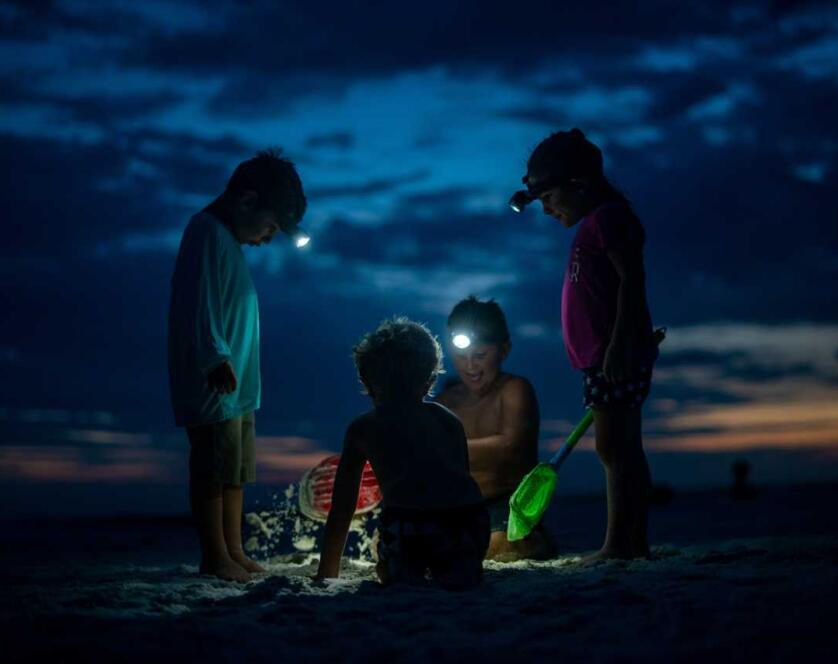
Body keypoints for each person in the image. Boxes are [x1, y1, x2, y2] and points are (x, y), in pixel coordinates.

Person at [510, 128, 659, 561]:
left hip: (614, 357)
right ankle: (633, 543)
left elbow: (632, 280)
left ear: (578, 185)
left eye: (549, 198)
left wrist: (619, 344)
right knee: (620, 447)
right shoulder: (595, 224)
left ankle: (620, 545)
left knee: (616, 448)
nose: (546, 210)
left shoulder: (608, 218)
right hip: (604, 359)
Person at [168, 148, 307, 582]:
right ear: (246, 202)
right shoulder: (206, 231)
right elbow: (199, 301)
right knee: (212, 467)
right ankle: (214, 555)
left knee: (234, 470)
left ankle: (234, 548)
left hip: (239, 387)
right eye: (269, 227)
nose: (267, 239)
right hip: (216, 380)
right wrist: (214, 357)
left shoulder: (228, 241)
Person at [316, 317, 488, 590]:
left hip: (413, 529)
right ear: (430, 379)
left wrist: (326, 571)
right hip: (468, 526)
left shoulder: (363, 428)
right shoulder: (449, 421)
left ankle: (402, 567)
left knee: (387, 561)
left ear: (366, 380)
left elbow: (342, 508)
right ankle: (461, 567)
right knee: (456, 560)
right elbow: (462, 482)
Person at [435, 296, 556, 561]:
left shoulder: (514, 390)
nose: (470, 366)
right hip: (455, 508)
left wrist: (439, 449)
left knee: (500, 545)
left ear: (504, 350)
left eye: (480, 356)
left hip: (506, 506)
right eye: (461, 356)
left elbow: (510, 447)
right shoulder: (443, 402)